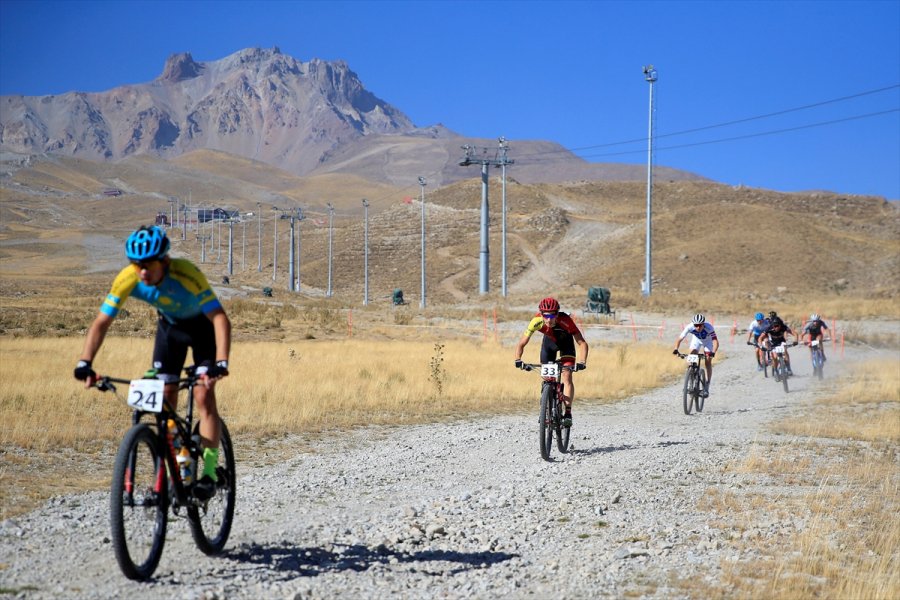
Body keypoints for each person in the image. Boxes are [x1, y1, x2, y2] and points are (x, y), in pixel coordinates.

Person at [73, 225, 231, 500]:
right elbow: (102, 322)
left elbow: (219, 317)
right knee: (164, 398)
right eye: (136, 265)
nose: (142, 271)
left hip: (202, 329)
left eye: (148, 265)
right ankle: (174, 472)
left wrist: (221, 362)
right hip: (170, 331)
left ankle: (208, 473)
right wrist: (85, 362)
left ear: (165, 261)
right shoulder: (128, 279)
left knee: (203, 396)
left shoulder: (186, 273)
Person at [514, 297, 589, 426]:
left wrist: (582, 362)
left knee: (567, 375)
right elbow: (522, 343)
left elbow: (582, 343)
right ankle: (546, 409)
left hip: (566, 345)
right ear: (541, 314)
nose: (549, 319)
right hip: (549, 345)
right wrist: (518, 359)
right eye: (546, 315)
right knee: (546, 378)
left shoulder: (566, 320)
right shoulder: (536, 321)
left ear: (557, 313)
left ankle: (568, 412)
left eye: (553, 315)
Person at [673, 314, 719, 397]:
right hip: (696, 341)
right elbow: (679, 339)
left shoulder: (709, 327)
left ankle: (707, 386)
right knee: (691, 356)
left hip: (707, 342)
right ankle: (690, 379)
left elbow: (715, 341)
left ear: (703, 324)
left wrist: (713, 352)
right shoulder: (689, 327)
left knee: (708, 362)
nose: (698, 327)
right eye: (696, 325)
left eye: (700, 325)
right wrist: (676, 349)